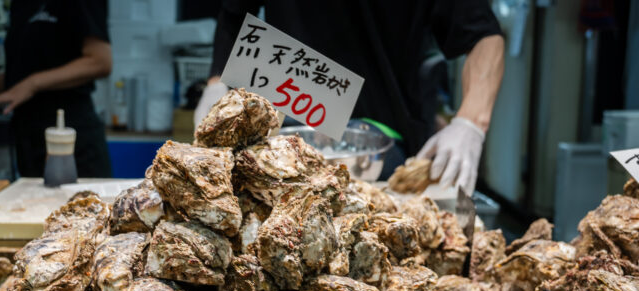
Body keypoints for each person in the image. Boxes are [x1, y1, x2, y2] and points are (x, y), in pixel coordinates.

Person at [195, 1, 504, 194]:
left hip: (385, 145)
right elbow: (234, 13)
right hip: (287, 131)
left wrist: (470, 121)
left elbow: (483, 35)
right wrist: (215, 84)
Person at [0, 0, 113, 178]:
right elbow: (27, 71)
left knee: (80, 204)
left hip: (69, 137)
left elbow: (100, 61)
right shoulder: (21, 5)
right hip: (29, 139)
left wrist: (32, 84)